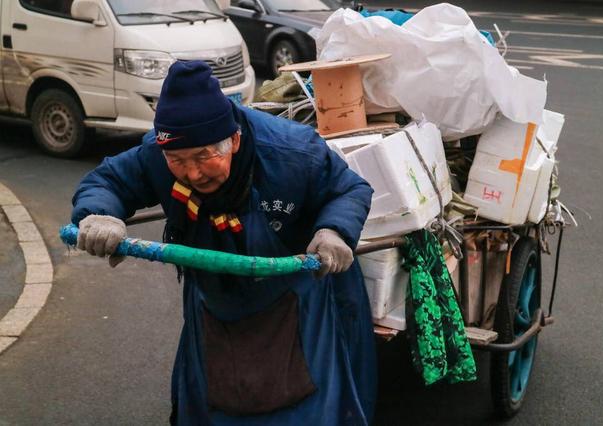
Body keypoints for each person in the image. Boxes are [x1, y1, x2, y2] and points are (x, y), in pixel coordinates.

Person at [71, 60, 377, 425]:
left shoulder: (293, 152)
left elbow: (349, 188)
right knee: (214, 404)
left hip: (298, 296)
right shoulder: (157, 153)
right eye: (178, 161)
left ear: (234, 140)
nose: (193, 172)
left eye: (204, 156)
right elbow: (106, 182)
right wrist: (101, 214)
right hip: (215, 302)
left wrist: (334, 231)